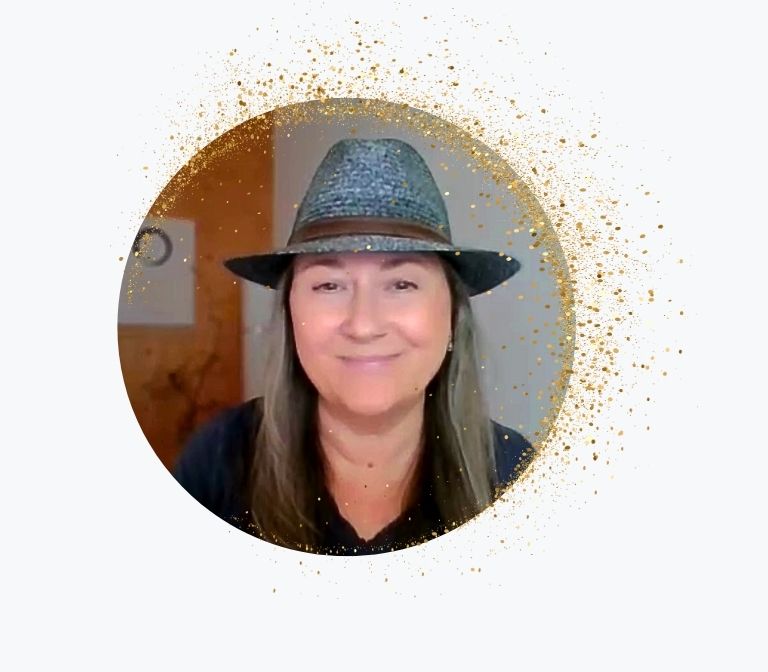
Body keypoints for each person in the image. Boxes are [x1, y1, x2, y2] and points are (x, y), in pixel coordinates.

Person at [174, 138, 534, 555]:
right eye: (329, 285)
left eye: (402, 284)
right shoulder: (218, 460)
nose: (363, 325)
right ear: (290, 315)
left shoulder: (515, 472)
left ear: (453, 316)